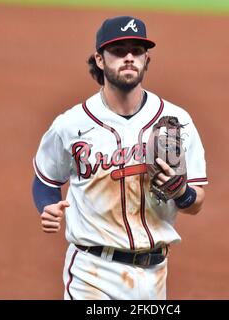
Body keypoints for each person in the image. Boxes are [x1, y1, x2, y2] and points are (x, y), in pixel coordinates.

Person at [32, 16, 208, 300]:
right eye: (118, 50)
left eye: (137, 50)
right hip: (91, 274)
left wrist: (183, 193)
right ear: (100, 60)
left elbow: (196, 203)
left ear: (146, 58)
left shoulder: (176, 122)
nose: (129, 57)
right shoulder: (70, 124)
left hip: (155, 276)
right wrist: (48, 206)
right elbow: (45, 179)